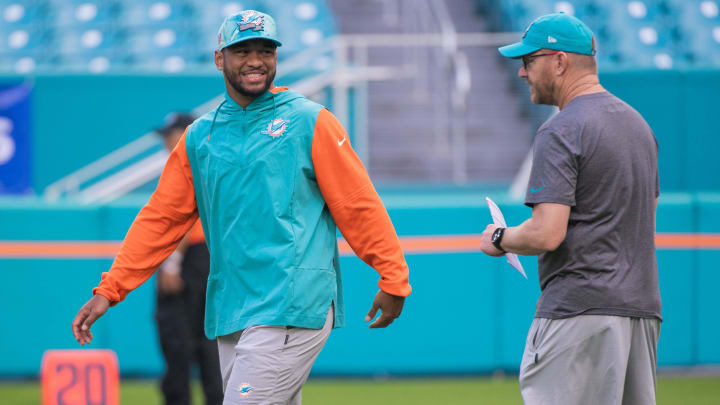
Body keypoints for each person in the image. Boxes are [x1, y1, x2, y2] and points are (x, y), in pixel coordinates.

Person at [72, 9, 411, 405]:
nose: (255, 60)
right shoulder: (201, 137)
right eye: (242, 50)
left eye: (266, 50)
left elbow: (357, 204)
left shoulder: (309, 121)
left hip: (293, 300)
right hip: (232, 308)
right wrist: (110, 289)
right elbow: (160, 219)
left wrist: (393, 275)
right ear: (220, 58)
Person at [480, 13, 661, 405]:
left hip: (579, 312)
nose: (522, 73)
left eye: (529, 61)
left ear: (559, 62)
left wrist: (499, 238)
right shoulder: (639, 126)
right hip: (641, 313)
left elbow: (547, 233)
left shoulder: (561, 128)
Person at [154, 113, 223, 405]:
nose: (166, 141)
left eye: (171, 134)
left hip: (190, 258)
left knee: (179, 343)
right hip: (206, 258)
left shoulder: (191, 161)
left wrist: (171, 262)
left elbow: (182, 217)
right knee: (209, 343)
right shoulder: (211, 160)